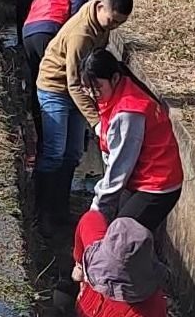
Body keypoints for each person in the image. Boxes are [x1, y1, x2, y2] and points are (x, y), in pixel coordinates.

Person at [34, 0, 133, 231]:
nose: (114, 26)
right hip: (55, 88)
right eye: (112, 21)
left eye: (119, 23)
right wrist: (97, 121)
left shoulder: (102, 25)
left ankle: (60, 207)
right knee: (55, 152)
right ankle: (42, 212)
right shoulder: (81, 34)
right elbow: (73, 83)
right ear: (102, 8)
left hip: (77, 92)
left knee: (73, 153)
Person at [79, 48, 184, 233]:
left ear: (115, 78)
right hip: (139, 178)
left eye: (97, 87)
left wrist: (96, 211)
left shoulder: (128, 113)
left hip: (157, 185)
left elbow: (119, 169)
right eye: (87, 88)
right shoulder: (117, 92)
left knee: (120, 238)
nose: (92, 94)